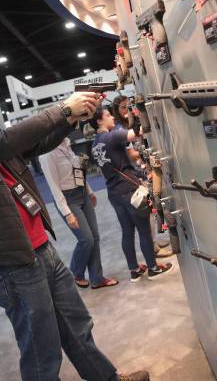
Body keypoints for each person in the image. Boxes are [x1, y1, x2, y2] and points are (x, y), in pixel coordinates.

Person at [0, 52, 148, 381]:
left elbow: (33, 143)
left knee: (77, 328)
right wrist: (63, 109)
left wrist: (71, 118)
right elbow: (5, 143)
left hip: (41, 248)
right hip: (11, 265)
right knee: (42, 355)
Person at [89, 106, 174, 282]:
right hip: (128, 189)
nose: (112, 117)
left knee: (127, 231)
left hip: (113, 191)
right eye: (107, 115)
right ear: (99, 121)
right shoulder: (111, 136)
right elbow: (139, 132)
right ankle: (152, 267)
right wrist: (137, 115)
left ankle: (134, 270)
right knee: (143, 229)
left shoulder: (94, 144)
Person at [39, 137, 118, 289]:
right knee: (86, 239)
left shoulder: (66, 143)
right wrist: (67, 213)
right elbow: (53, 187)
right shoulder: (47, 154)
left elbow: (77, 170)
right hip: (68, 199)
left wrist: (89, 190)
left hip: (82, 193)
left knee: (94, 237)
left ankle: (97, 278)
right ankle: (75, 271)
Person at [110, 96, 173, 258]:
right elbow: (131, 154)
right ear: (116, 110)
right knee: (147, 212)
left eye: (128, 107)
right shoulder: (119, 131)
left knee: (151, 211)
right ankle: (153, 248)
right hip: (135, 176)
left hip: (141, 171)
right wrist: (152, 152)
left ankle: (154, 243)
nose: (127, 111)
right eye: (123, 108)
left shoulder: (127, 126)